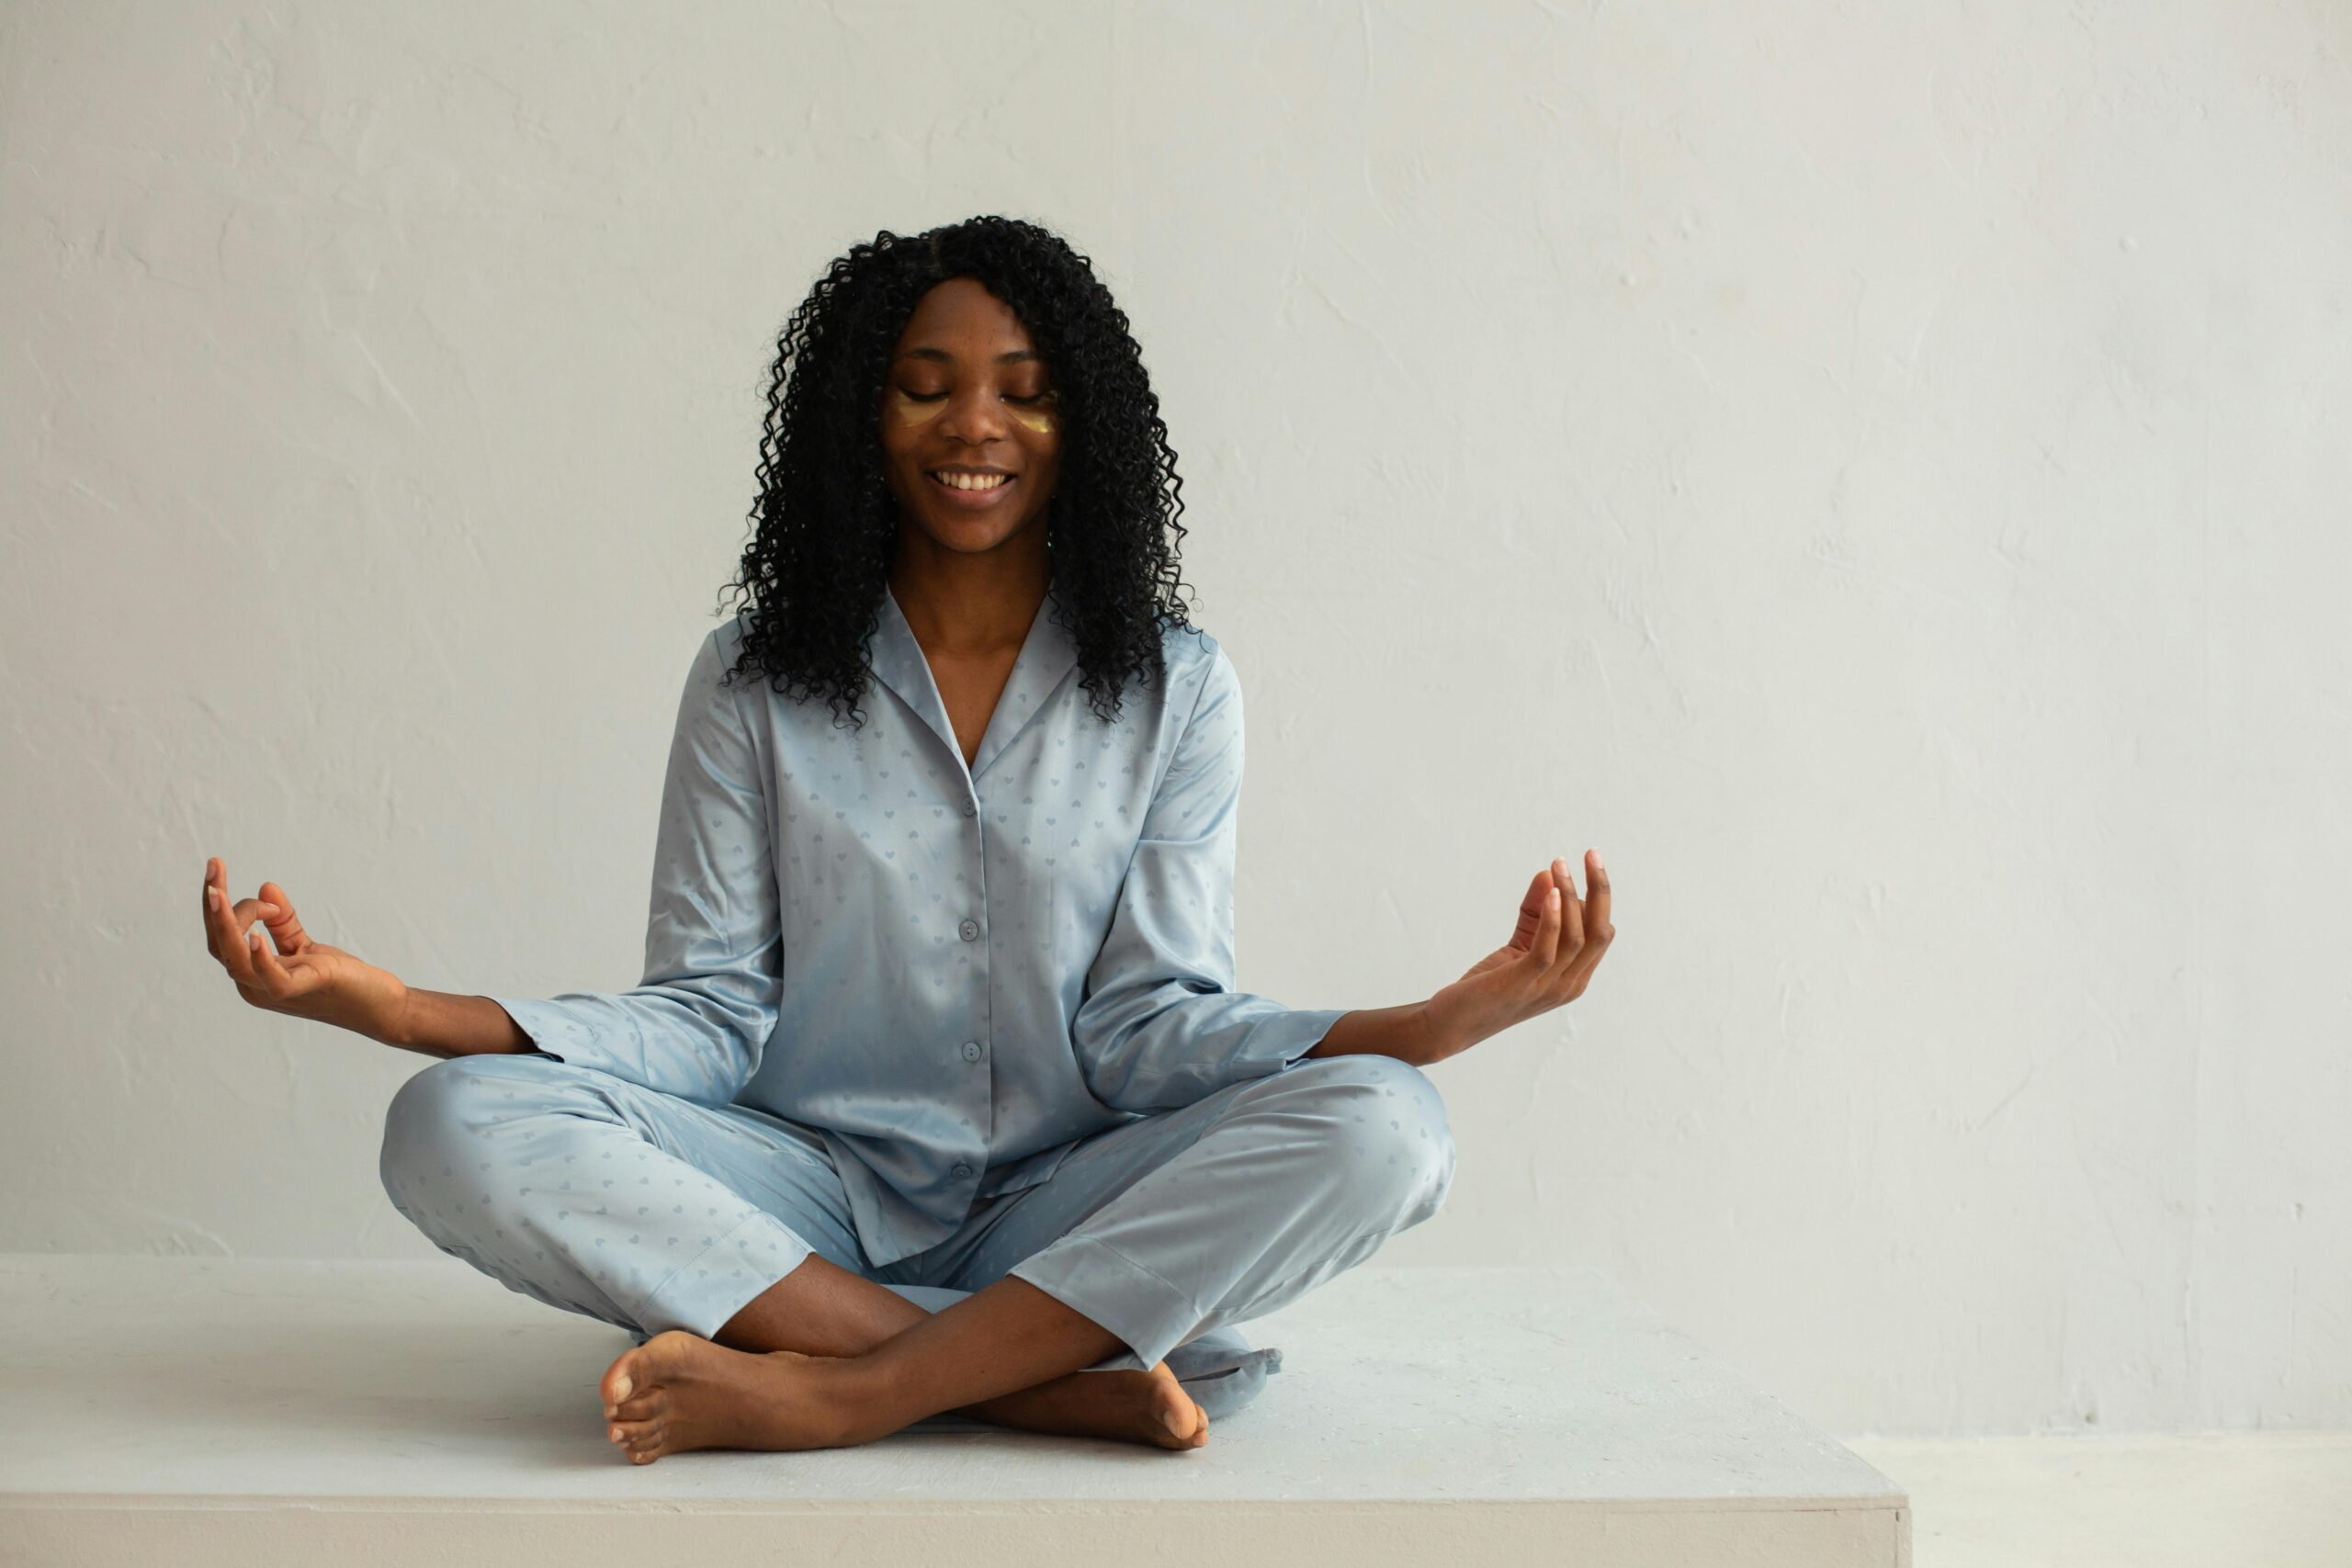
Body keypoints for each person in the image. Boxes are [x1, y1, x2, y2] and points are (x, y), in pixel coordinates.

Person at [198, 215, 1615, 1464]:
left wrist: (1431, 1023)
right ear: (860, 424)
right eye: (922, 389)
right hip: (796, 1198)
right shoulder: (754, 675)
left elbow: (1148, 1029)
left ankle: (841, 1392)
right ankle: (1026, 1384)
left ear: (1086, 428)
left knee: (1388, 1127)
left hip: (1070, 1204)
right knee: (451, 1120)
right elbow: (703, 1017)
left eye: (1024, 393)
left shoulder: (1178, 687)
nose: (973, 428)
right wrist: (393, 1009)